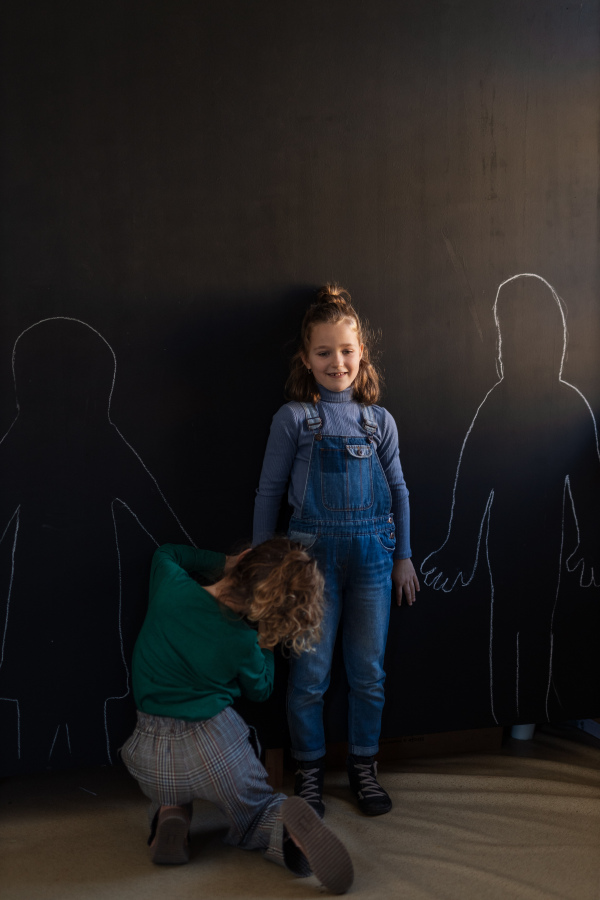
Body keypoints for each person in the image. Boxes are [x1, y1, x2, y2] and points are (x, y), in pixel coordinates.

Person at [253, 284, 419, 818]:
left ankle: (364, 768)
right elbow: (269, 493)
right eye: (323, 352)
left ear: (361, 352)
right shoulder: (295, 419)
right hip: (309, 564)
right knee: (309, 675)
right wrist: (264, 562)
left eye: (346, 351)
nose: (336, 362)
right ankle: (309, 774)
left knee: (368, 672)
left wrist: (404, 556)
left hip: (374, 561)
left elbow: (399, 492)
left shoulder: (379, 421)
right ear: (306, 359)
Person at [121, 539, 354, 895]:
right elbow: (260, 690)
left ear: (245, 559)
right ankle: (286, 837)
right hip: (215, 752)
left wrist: (224, 560)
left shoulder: (171, 584)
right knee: (257, 814)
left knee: (169, 787)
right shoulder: (243, 640)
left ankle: (170, 814)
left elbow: (165, 553)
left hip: (147, 754)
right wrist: (266, 639)